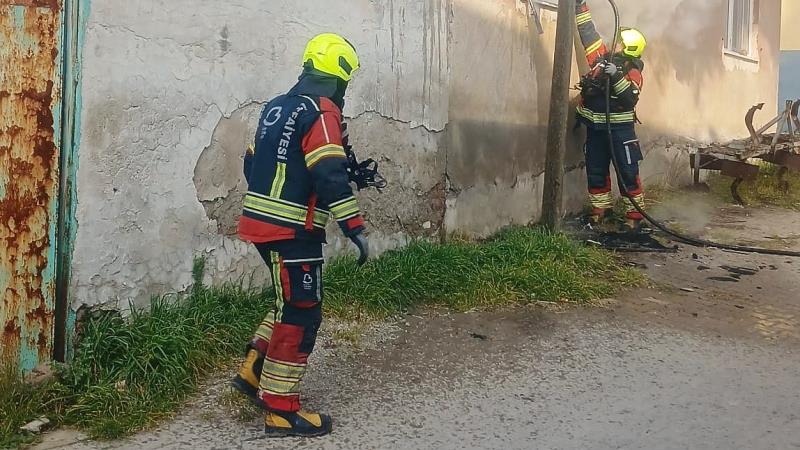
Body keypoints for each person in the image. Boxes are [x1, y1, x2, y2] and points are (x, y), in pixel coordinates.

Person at [231, 33, 369, 437]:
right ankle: (280, 407)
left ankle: (254, 369)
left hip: (260, 223)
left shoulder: (276, 107)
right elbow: (328, 175)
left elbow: (250, 163)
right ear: (339, 75)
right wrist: (355, 227)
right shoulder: (323, 112)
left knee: (286, 301)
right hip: (295, 230)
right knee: (303, 312)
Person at [575, 0, 648, 232]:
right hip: (596, 130)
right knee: (596, 170)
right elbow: (588, 33)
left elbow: (629, 99)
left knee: (627, 172)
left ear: (627, 49)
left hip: (620, 133)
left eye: (619, 43)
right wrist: (579, 6)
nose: (612, 44)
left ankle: (634, 216)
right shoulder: (601, 60)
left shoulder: (633, 72)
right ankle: (601, 210)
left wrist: (616, 76)